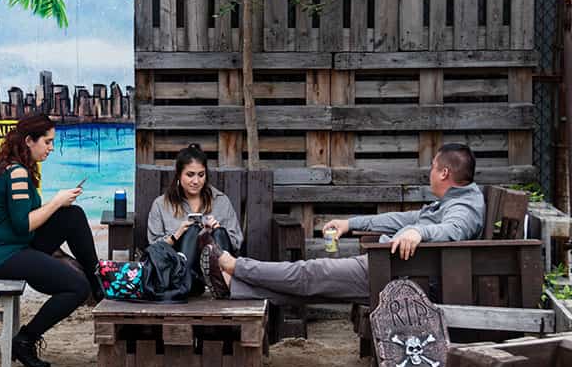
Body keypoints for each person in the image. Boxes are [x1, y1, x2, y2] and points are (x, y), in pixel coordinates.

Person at [200, 143, 484, 303]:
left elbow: (452, 231)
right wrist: (351, 222)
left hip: (397, 275)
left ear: (445, 172)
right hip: (393, 269)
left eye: (433, 167)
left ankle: (234, 266)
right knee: (310, 284)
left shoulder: (465, 207)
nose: (430, 173)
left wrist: (418, 231)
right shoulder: (450, 201)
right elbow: (401, 218)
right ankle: (234, 285)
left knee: (310, 273)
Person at [0, 114, 104, 367]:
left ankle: (98, 280)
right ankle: (25, 339)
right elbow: (24, 224)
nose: (51, 148)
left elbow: (25, 221)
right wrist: (55, 202)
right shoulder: (17, 172)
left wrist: (60, 206)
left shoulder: (19, 168)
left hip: (15, 244)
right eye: (48, 141)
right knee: (77, 287)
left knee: (72, 216)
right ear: (29, 141)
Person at [147, 144, 242, 293]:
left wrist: (214, 231)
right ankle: (187, 283)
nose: (196, 181)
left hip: (216, 267)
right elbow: (154, 248)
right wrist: (177, 235)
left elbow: (236, 242)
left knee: (220, 232)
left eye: (201, 174)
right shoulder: (161, 204)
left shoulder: (221, 201)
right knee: (191, 231)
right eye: (190, 174)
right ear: (179, 174)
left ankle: (219, 285)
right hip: (180, 271)